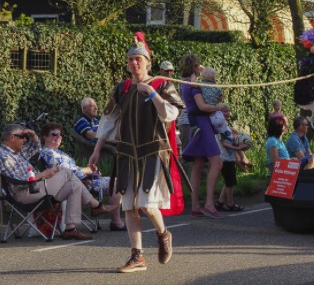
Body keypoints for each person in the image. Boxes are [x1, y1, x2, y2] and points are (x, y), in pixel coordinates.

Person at [88, 32, 184, 273]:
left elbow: (171, 114)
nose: (134, 63)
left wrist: (151, 93)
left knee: (148, 206)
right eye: (131, 59)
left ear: (147, 62)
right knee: (129, 206)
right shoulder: (122, 88)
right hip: (127, 153)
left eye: (138, 59)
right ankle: (137, 255)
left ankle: (163, 234)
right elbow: (108, 120)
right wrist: (97, 150)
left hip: (152, 153)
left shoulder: (162, 84)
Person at [0, 124, 117, 241]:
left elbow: (35, 148)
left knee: (74, 185)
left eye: (25, 137)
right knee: (66, 172)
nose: (25, 140)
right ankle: (96, 206)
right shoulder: (4, 155)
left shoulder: (16, 152)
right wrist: (43, 175)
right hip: (24, 193)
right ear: (12, 137)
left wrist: (33, 135)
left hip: (35, 188)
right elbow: (20, 181)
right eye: (22, 137)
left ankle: (70, 229)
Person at [39, 122, 126, 231]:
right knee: (115, 182)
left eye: (59, 135)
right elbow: (67, 172)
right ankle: (114, 221)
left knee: (113, 181)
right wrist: (88, 170)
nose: (58, 137)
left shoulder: (58, 153)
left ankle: (105, 214)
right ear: (45, 137)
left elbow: (72, 170)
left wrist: (89, 172)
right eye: (54, 134)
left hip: (78, 181)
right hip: (68, 186)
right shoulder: (48, 154)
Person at [179, 53, 224, 219]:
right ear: (196, 67)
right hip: (203, 124)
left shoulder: (184, 83)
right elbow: (203, 106)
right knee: (217, 163)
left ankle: (196, 205)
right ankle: (209, 204)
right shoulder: (194, 85)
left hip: (196, 124)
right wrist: (219, 106)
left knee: (197, 165)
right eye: (199, 65)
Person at [215, 106, 247, 212]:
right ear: (219, 113)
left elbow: (229, 141)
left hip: (229, 158)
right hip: (225, 158)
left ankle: (220, 202)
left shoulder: (227, 127)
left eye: (228, 111)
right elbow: (224, 144)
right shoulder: (221, 127)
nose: (227, 113)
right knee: (230, 182)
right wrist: (237, 147)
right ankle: (230, 204)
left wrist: (237, 140)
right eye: (224, 111)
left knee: (229, 180)